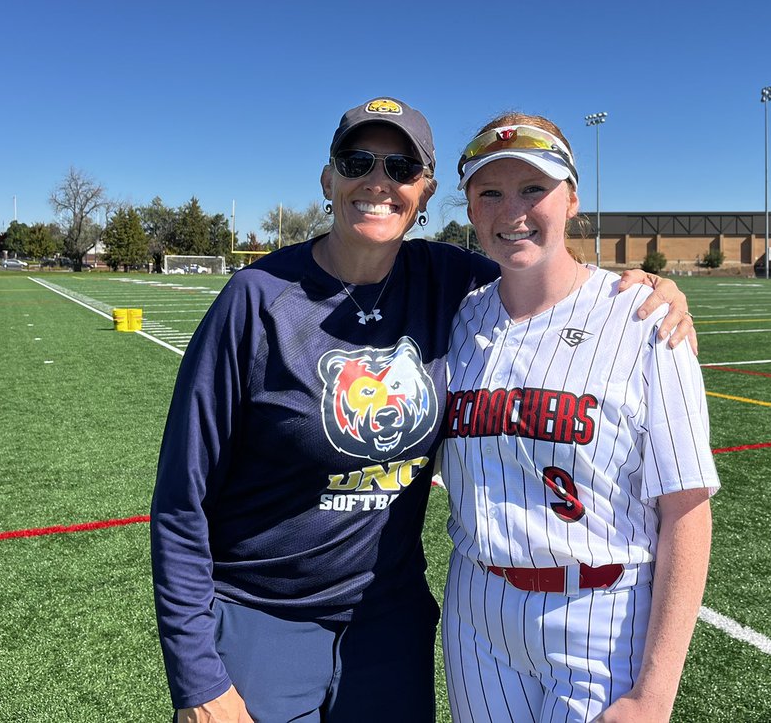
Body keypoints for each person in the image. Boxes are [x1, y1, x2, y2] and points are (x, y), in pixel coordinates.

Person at [149, 97, 696, 723]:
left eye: (401, 168)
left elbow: (546, 264)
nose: (378, 182)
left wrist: (652, 288)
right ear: (328, 178)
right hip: (263, 613)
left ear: (426, 191)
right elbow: (180, 499)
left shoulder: (448, 280)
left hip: (388, 620)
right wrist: (196, 677)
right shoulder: (256, 300)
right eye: (357, 161)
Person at [440, 113, 719, 723]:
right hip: (475, 611)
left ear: (572, 199)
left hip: (604, 613)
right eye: (490, 192)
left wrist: (654, 694)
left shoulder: (645, 318)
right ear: (468, 208)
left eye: (533, 189)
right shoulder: (454, 323)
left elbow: (688, 512)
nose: (512, 210)